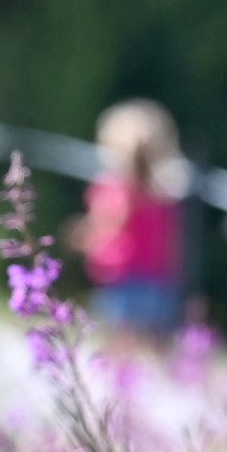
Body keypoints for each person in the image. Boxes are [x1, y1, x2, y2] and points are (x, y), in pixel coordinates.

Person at [78, 99, 188, 338]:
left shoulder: (112, 189)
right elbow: (173, 244)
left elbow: (104, 227)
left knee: (118, 350)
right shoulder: (165, 193)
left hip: (121, 282)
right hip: (159, 285)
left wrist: (81, 236)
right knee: (148, 355)